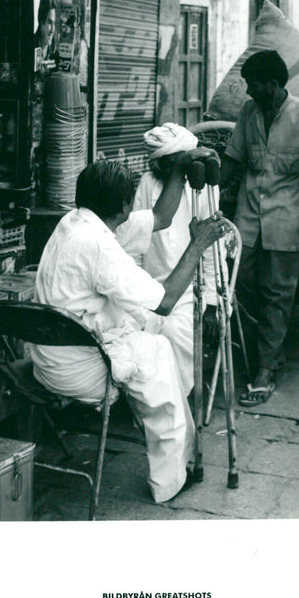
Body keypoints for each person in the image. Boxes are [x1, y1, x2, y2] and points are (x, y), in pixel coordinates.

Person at [30, 159, 228, 504]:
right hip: (75, 371)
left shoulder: (74, 221)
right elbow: (164, 302)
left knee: (141, 324)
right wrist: (197, 245)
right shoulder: (100, 246)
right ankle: (169, 479)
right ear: (123, 206)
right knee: (159, 350)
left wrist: (180, 170)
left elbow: (160, 217)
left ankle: (173, 440)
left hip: (45, 358)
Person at [220, 50, 299, 407]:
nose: (249, 92)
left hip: (289, 219)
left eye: (253, 85)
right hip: (248, 219)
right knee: (238, 287)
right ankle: (265, 354)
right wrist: (205, 184)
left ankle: (264, 369)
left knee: (278, 297)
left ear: (272, 84)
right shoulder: (249, 113)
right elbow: (232, 161)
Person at [116, 123, 219, 396]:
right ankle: (147, 398)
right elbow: (134, 245)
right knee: (130, 331)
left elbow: (209, 251)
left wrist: (210, 303)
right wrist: (133, 296)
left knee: (173, 331)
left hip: (188, 293)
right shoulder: (148, 185)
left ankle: (175, 399)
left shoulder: (205, 190)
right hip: (149, 288)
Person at [34, 0, 58, 73]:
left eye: (54, 23)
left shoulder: (54, 53)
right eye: (49, 23)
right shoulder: (30, 48)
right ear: (41, 22)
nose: (52, 30)